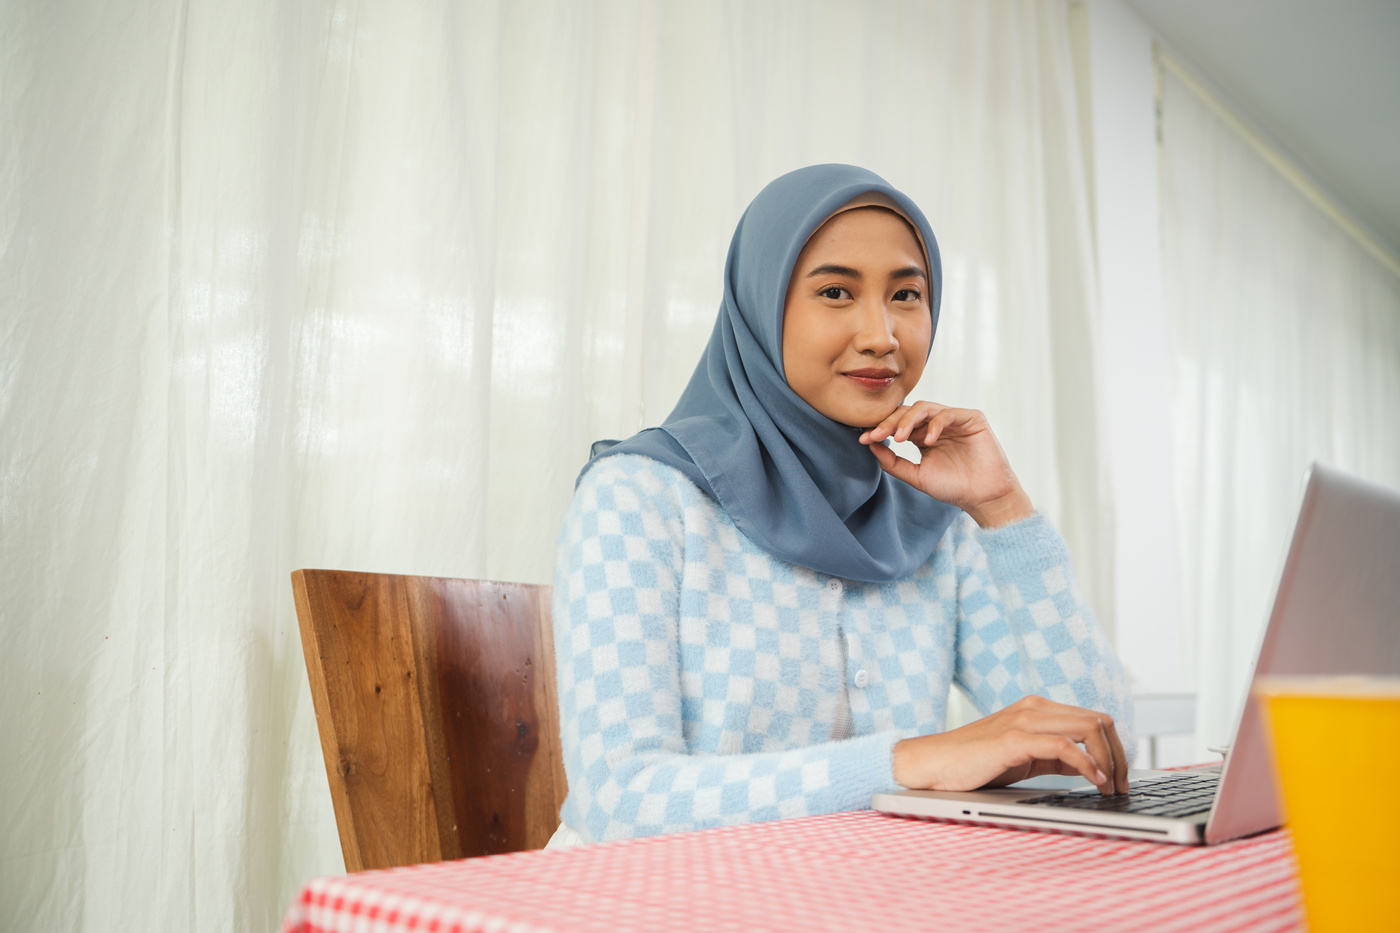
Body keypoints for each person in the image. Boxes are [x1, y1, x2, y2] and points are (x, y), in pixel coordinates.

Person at [547, 164, 1134, 847]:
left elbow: (1096, 750)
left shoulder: (928, 522)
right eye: (835, 291)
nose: (881, 333)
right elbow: (620, 798)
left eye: (907, 295)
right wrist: (905, 763)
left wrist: (1004, 508)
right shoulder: (640, 496)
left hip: (863, 900)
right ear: (761, 308)